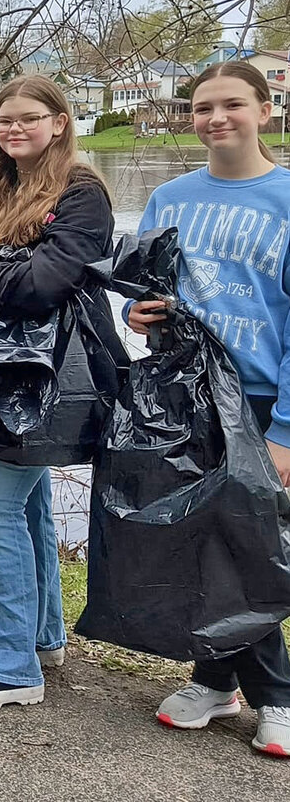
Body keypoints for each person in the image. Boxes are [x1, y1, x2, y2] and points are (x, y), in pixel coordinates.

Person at [0, 75, 121, 711]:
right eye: (3, 120)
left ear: (60, 122)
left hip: (52, 375)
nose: (13, 130)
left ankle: (6, 666)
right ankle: (42, 635)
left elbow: (49, 283)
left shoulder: (83, 193)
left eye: (28, 118)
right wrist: (5, 274)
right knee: (31, 498)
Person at [127, 60, 290, 758]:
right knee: (199, 541)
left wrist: (285, 429)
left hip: (259, 396)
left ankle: (277, 695)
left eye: (230, 105)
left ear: (264, 108)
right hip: (187, 393)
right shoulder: (169, 197)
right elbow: (148, 288)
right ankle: (215, 679)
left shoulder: (286, 197)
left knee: (253, 548)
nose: (215, 118)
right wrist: (139, 312)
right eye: (201, 107)